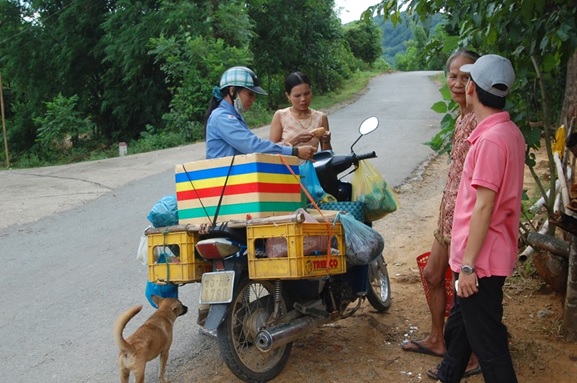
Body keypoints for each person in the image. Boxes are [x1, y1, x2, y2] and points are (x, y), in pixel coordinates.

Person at [433, 54, 523, 383]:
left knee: (489, 345)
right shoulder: (508, 132)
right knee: (459, 329)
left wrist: (468, 265)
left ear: (471, 88)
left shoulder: (490, 140)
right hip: (481, 256)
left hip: (480, 262)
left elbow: (484, 206)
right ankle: (447, 376)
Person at [402, 50, 481, 378]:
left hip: (466, 220)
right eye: (453, 76)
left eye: (466, 77)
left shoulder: (479, 119)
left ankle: (473, 355)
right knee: (433, 276)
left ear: (478, 81)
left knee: (468, 292)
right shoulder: (462, 117)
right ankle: (438, 339)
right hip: (446, 215)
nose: (459, 83)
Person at [204, 66, 316, 160]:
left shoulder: (234, 116)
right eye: (250, 94)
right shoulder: (223, 117)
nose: (253, 99)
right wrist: (294, 151)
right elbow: (252, 146)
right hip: (225, 183)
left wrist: (281, 146)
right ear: (232, 91)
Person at [269, 72, 332, 151]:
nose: (303, 99)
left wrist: (326, 141)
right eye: (297, 96)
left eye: (307, 94)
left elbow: (326, 154)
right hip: (287, 163)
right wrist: (296, 140)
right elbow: (271, 150)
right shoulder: (281, 116)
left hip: (312, 163)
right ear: (288, 96)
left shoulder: (321, 117)